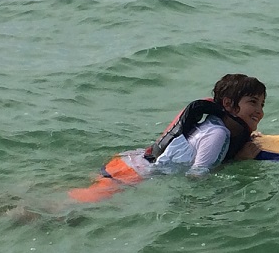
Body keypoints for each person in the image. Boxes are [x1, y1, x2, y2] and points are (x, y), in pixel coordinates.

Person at [68, 73, 266, 202]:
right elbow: (196, 176)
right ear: (229, 104)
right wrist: (239, 161)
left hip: (129, 162)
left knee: (73, 196)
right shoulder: (218, 133)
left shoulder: (214, 126)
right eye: (253, 102)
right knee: (70, 208)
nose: (259, 111)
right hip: (134, 173)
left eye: (262, 105)